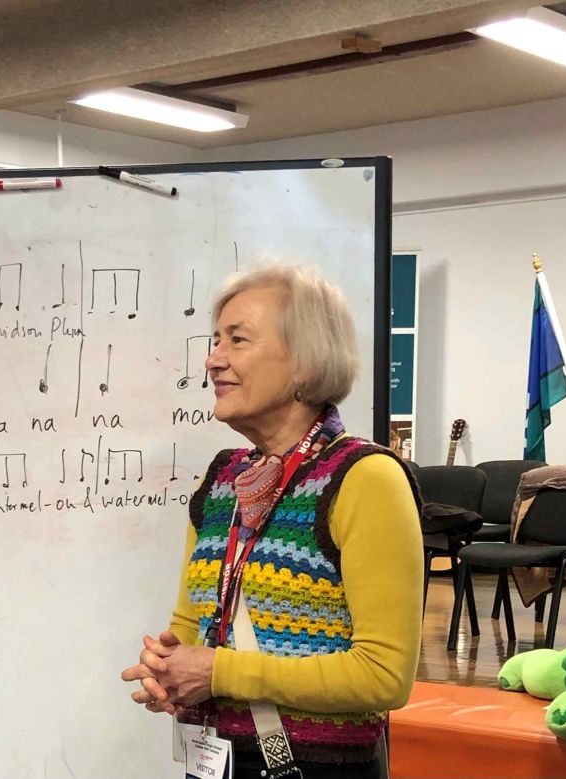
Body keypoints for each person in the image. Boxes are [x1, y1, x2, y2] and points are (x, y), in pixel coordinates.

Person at [122, 265, 423, 778]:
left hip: (321, 768)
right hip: (215, 760)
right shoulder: (222, 480)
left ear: (305, 361)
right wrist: (167, 669)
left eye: (237, 340)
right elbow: (192, 624)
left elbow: (384, 675)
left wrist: (219, 672)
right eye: (216, 341)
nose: (214, 359)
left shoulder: (366, 478)